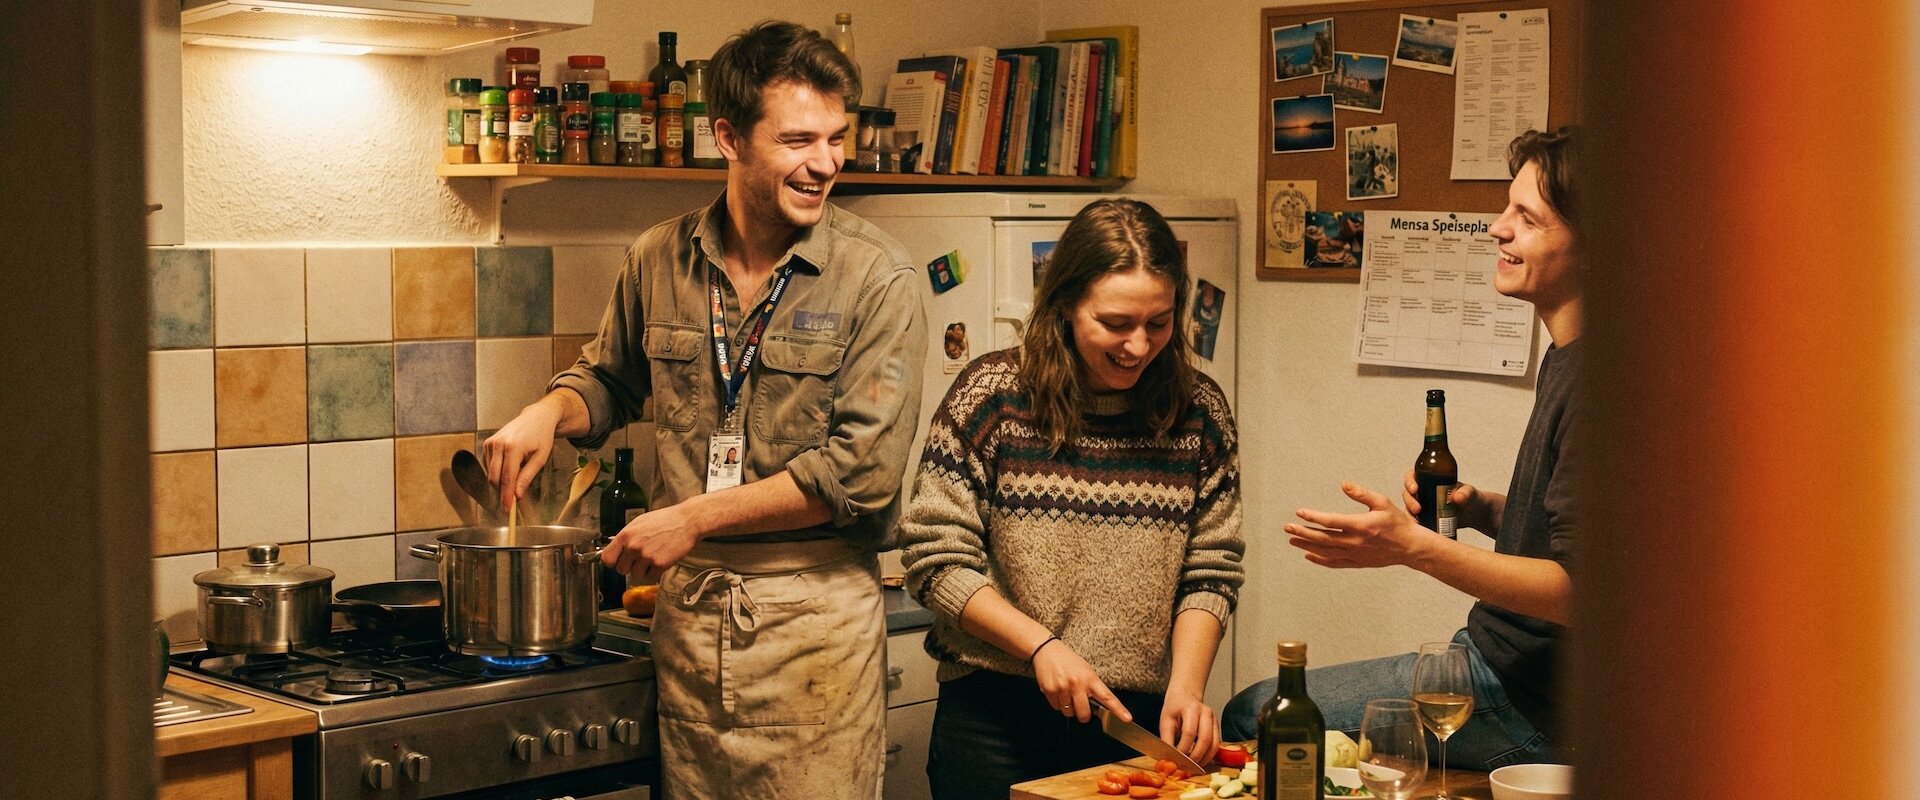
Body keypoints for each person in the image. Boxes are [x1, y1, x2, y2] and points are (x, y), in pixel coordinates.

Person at [480, 21, 926, 798]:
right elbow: (611, 382)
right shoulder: (660, 256)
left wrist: (691, 520)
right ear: (728, 137)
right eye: (797, 140)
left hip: (814, 634)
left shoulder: (878, 279)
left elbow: (861, 475)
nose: (824, 163)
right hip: (687, 624)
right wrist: (547, 413)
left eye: (835, 138)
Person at [1222, 128, 1581, 769]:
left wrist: (1414, 549)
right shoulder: (1570, 354)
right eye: (1507, 207)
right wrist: (1483, 510)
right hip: (1497, 662)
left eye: (1526, 218)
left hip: (1532, 702)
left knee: (1257, 716)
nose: (1498, 229)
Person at [899, 199, 1246, 800]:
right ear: (1064, 306)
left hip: (1135, 717)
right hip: (994, 716)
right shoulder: (992, 396)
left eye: (1159, 323)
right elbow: (935, 560)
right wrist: (1040, 646)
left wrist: (1187, 690)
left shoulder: (1200, 413)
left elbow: (1211, 569)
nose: (1139, 346)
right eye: (1115, 324)